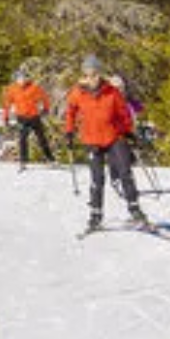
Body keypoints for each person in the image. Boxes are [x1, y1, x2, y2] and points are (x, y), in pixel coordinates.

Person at [63, 56, 148, 229]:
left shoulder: (112, 91)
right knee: (97, 179)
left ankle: (135, 210)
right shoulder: (77, 92)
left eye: (94, 74)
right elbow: (70, 113)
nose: (91, 78)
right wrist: (69, 131)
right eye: (87, 74)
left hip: (114, 137)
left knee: (125, 172)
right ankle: (96, 215)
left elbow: (123, 113)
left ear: (99, 74)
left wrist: (128, 132)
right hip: (91, 140)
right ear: (84, 75)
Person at [1, 70, 55, 168]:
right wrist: (5, 117)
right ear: (16, 79)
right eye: (19, 78)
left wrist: (46, 108)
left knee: (41, 138)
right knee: (22, 138)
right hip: (21, 117)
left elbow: (44, 97)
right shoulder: (12, 89)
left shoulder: (33, 88)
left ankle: (50, 159)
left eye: (23, 78)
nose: (21, 80)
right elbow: (7, 104)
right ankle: (23, 161)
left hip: (34, 117)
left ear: (27, 78)